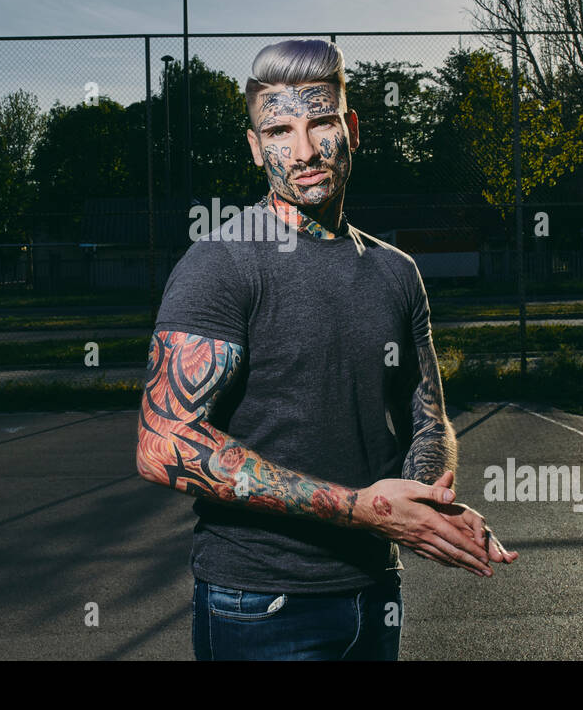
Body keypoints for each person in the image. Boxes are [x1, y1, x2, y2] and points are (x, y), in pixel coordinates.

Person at [135, 38, 516, 661]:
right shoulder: (222, 263)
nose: (305, 151)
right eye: (280, 130)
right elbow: (162, 443)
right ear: (257, 148)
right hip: (258, 602)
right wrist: (366, 510)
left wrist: (424, 506)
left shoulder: (396, 272)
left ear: (352, 127)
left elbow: (428, 419)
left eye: (321, 123)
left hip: (373, 589)